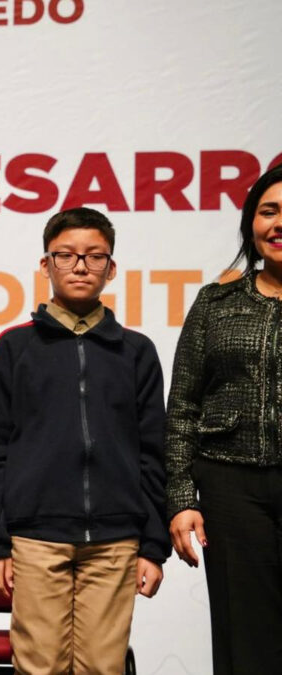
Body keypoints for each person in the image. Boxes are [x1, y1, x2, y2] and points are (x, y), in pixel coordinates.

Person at [0, 207, 169, 674]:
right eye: (67, 255)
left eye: (95, 257)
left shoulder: (136, 351)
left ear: (111, 268)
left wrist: (152, 544)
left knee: (103, 666)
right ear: (45, 266)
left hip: (116, 539)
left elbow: (153, 452)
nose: (80, 266)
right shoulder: (16, 347)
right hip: (36, 537)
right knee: (39, 665)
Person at [166, 165, 282, 674]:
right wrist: (180, 498)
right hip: (231, 489)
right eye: (269, 211)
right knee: (246, 642)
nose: (279, 224)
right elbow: (184, 405)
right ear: (250, 225)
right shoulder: (216, 302)